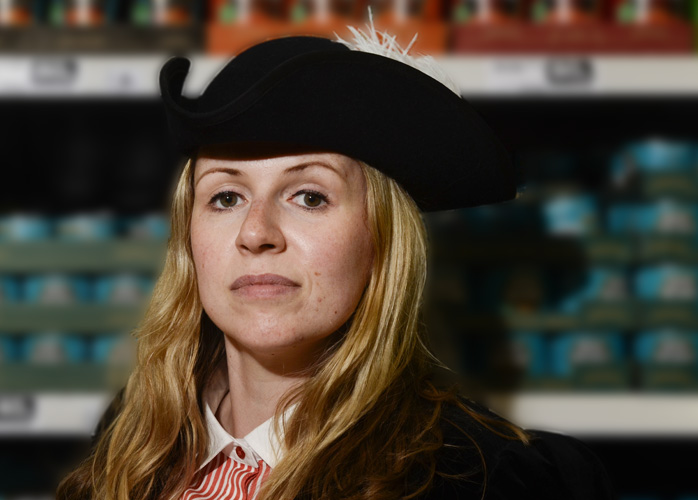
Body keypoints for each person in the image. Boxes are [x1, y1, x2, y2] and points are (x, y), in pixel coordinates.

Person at [57, 22, 615, 500]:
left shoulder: (481, 481)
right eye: (226, 197)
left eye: (309, 196)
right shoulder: (132, 446)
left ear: (381, 238)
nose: (256, 233)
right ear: (189, 238)